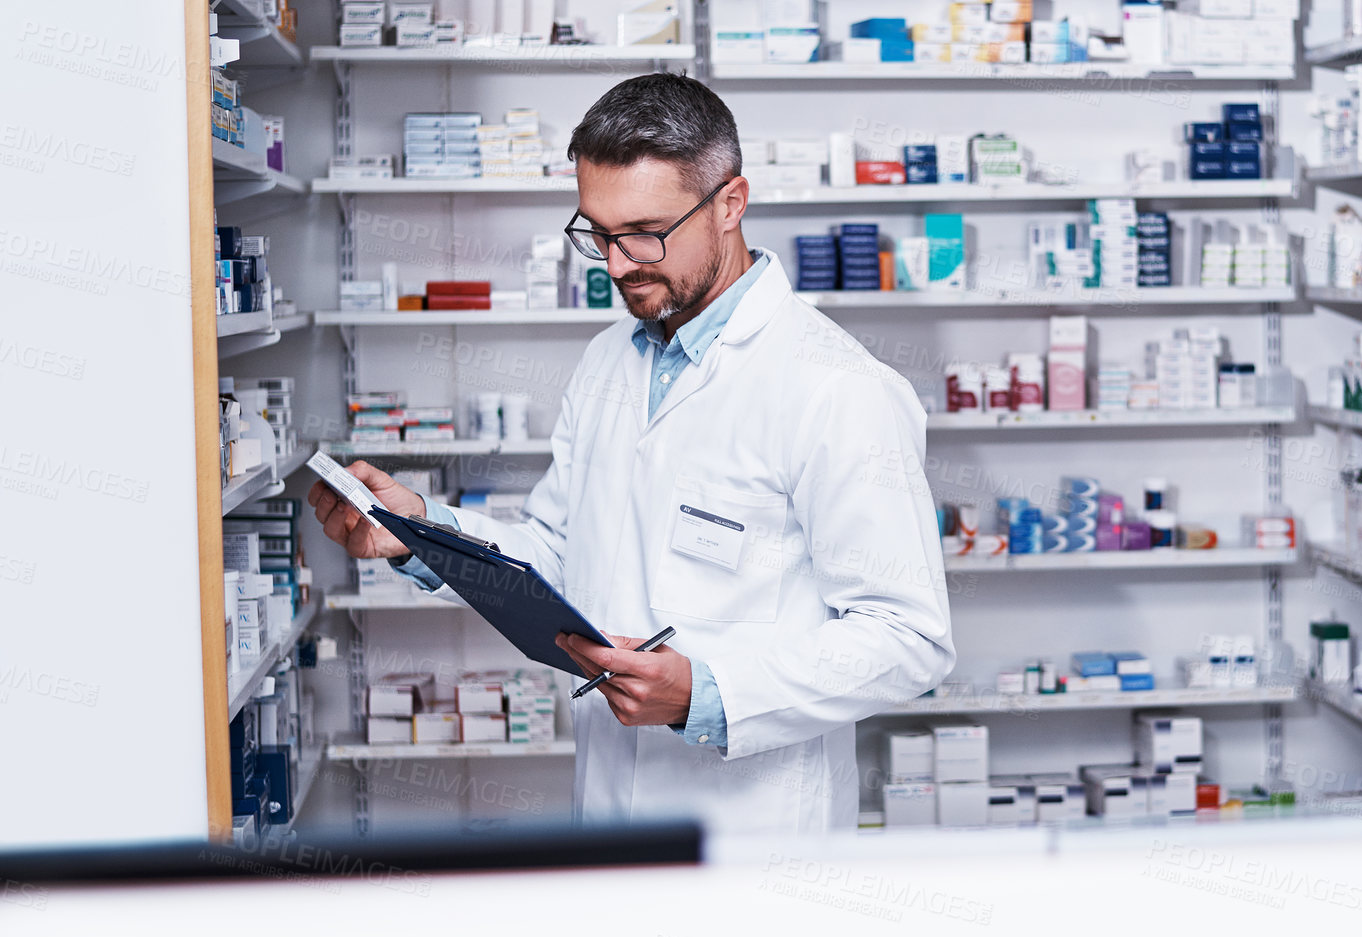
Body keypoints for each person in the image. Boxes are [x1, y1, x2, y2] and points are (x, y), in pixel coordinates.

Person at [308, 73, 955, 832]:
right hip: (611, 806)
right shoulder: (609, 360)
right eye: (597, 234)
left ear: (729, 203)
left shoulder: (837, 388)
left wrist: (707, 693)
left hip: (758, 831)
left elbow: (909, 637)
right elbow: (554, 552)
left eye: (644, 233)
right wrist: (420, 529)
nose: (617, 265)